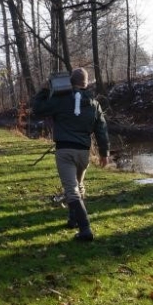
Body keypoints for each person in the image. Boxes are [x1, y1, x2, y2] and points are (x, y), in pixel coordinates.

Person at [31, 68, 109, 241]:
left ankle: (85, 229)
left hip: (65, 151)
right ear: (86, 83)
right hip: (83, 153)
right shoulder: (94, 103)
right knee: (78, 185)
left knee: (71, 191)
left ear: (70, 82)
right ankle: (73, 220)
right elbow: (101, 130)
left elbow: (37, 109)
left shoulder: (59, 99)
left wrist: (44, 90)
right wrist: (104, 153)